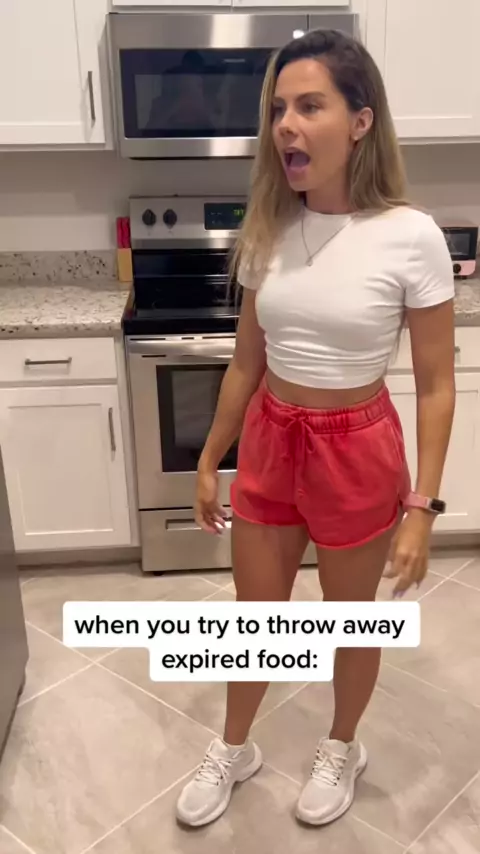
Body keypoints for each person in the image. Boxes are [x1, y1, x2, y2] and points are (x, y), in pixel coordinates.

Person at [176, 28, 455, 829]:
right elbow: (245, 363)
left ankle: (342, 745)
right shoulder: (268, 226)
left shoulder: (411, 236)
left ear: (360, 122)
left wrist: (421, 508)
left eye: (309, 106)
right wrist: (211, 457)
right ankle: (234, 747)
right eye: (277, 110)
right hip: (272, 438)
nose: (286, 127)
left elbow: (437, 386)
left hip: (355, 445)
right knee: (255, 615)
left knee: (347, 619)